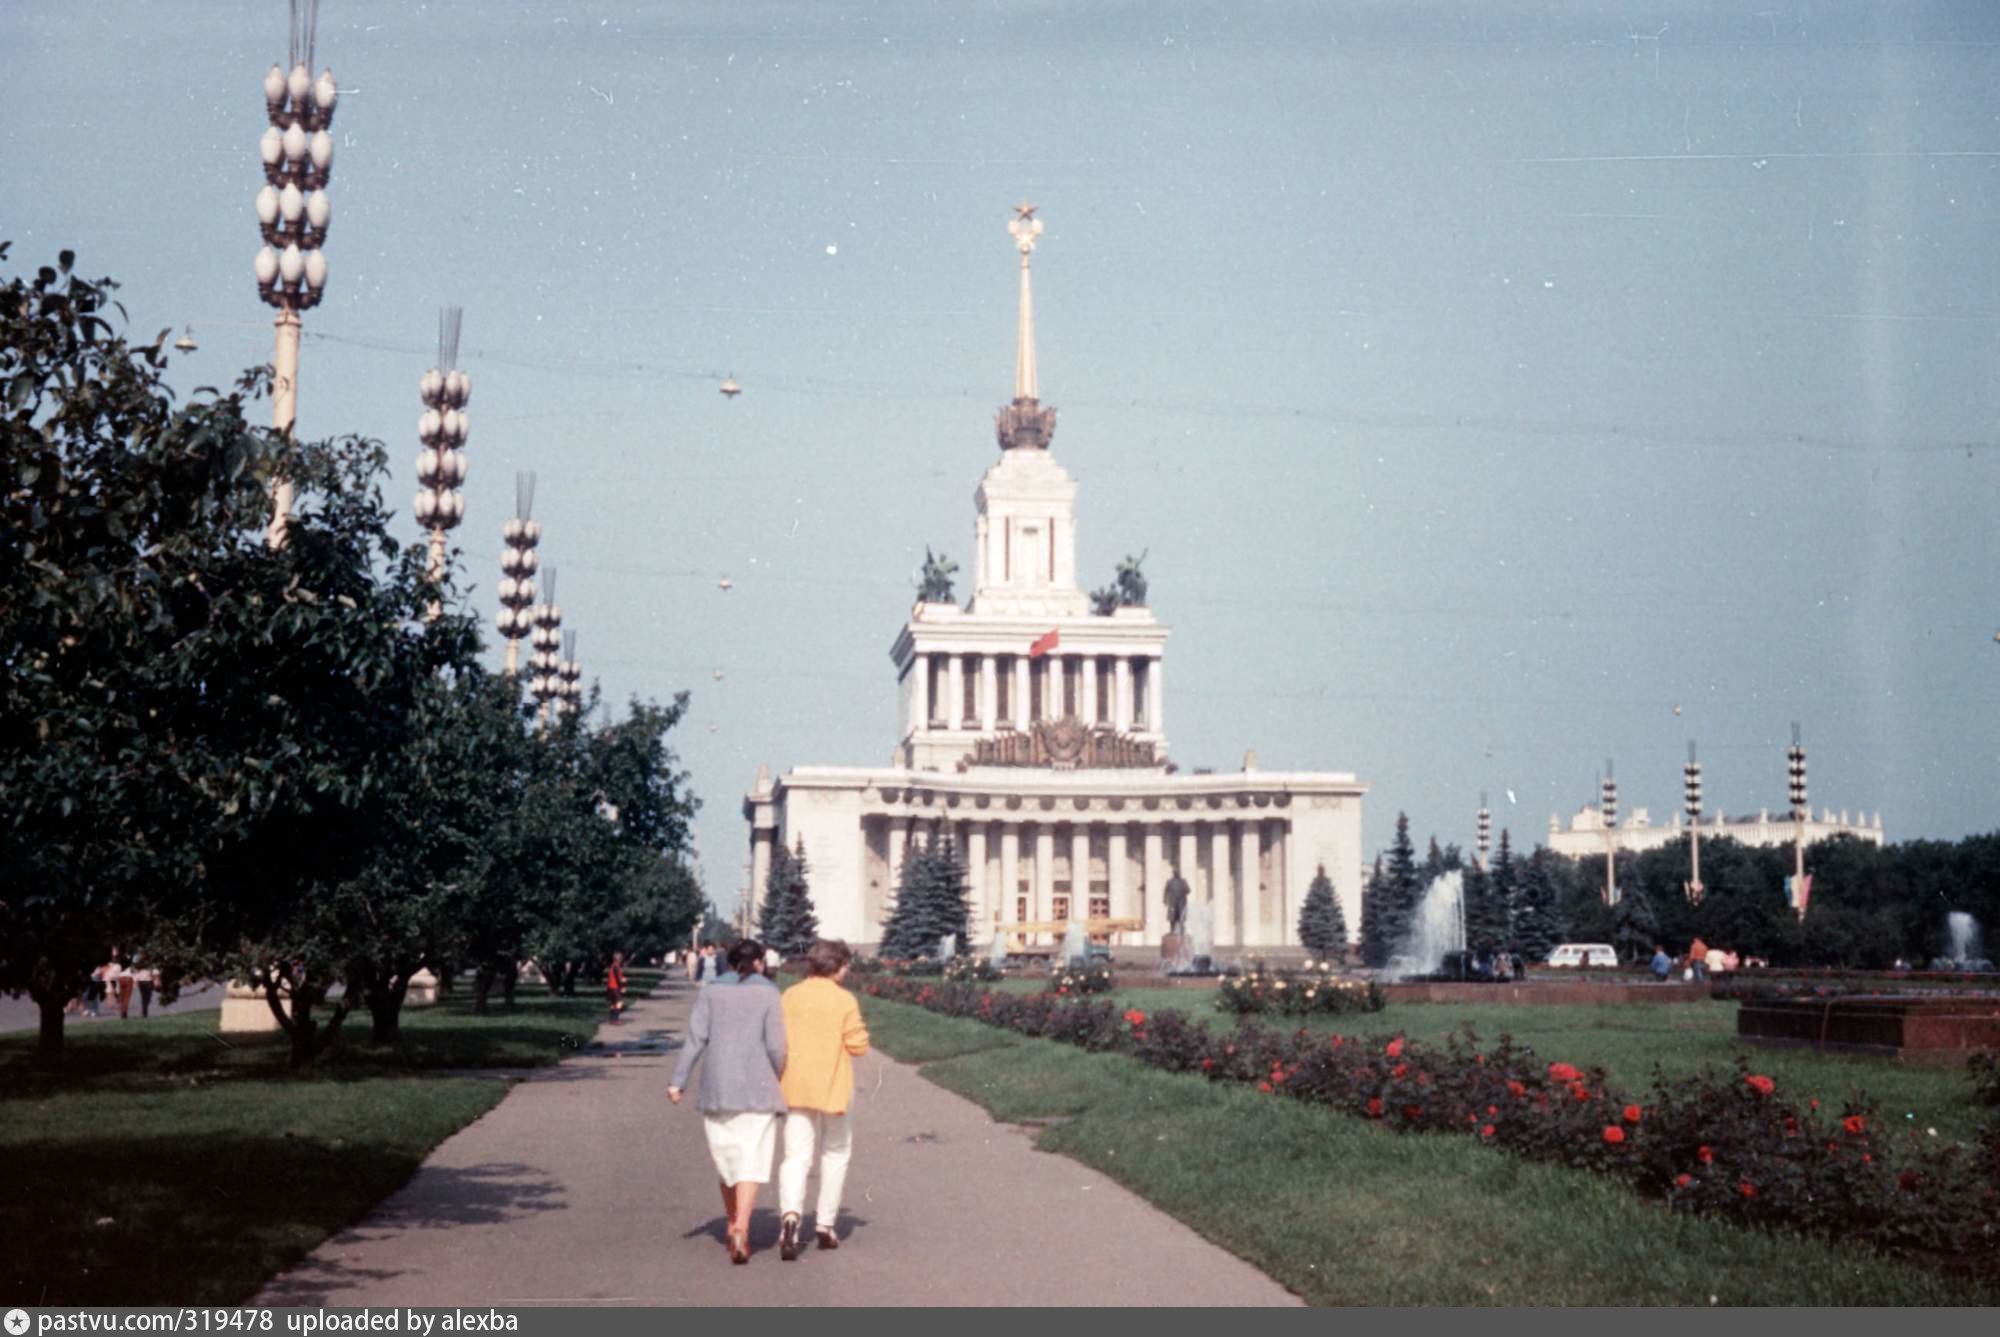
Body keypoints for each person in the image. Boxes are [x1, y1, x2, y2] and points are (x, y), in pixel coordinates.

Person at [668, 939, 787, 1265]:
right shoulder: (769, 993)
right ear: (761, 962)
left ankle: (732, 1220)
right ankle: (742, 1228)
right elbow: (777, 1046)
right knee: (752, 1158)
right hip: (758, 1087)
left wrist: (678, 1082)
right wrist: (776, 1075)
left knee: (727, 1159)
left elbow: (695, 1040)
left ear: (727, 962)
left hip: (717, 1087)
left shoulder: (710, 992)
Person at [775, 938, 872, 1261]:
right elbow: (857, 1045)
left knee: (795, 1156)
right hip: (833, 1086)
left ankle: (790, 1218)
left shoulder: (790, 995)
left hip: (795, 1086)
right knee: (835, 1152)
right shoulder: (844, 1000)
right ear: (838, 967)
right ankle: (825, 1224)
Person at [606, 951, 628, 1025]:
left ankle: (612, 1019)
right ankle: (615, 1019)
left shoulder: (613, 966)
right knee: (619, 1003)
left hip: (610, 987)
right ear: (618, 959)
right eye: (620, 958)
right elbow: (618, 978)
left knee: (613, 1003)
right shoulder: (616, 966)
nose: (621, 959)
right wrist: (623, 983)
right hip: (615, 987)